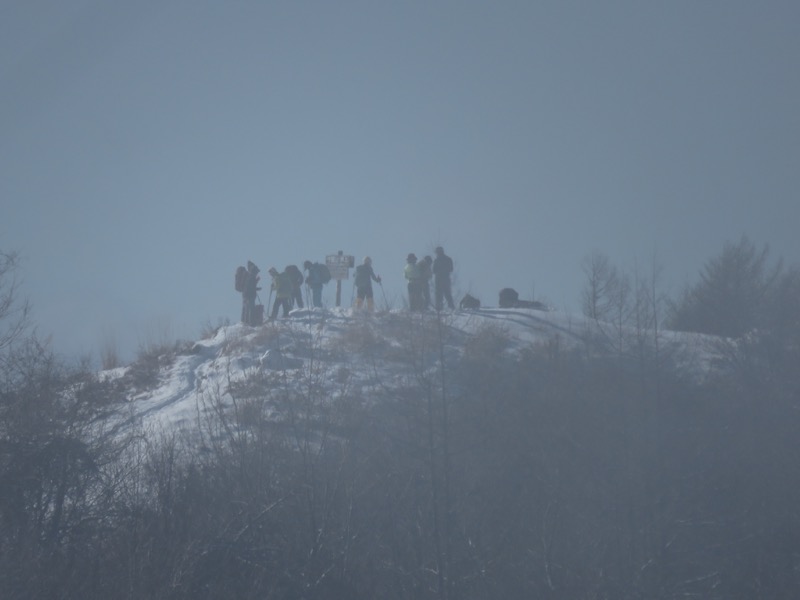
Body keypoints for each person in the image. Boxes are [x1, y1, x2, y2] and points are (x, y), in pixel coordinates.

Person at [433, 246, 455, 311]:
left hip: (441, 279)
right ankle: (448, 307)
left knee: (442, 293)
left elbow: (434, 270)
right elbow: (451, 269)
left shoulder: (437, 260)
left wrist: (441, 271)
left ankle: (440, 308)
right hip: (443, 278)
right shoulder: (447, 259)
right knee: (445, 293)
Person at [241, 260, 261, 325]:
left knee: (246, 309)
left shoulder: (249, 276)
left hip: (245, 295)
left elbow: (249, 286)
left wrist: (256, 285)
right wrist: (256, 287)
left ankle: (245, 322)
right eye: (257, 272)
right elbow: (251, 287)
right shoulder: (252, 277)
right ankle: (251, 323)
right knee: (251, 309)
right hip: (250, 295)